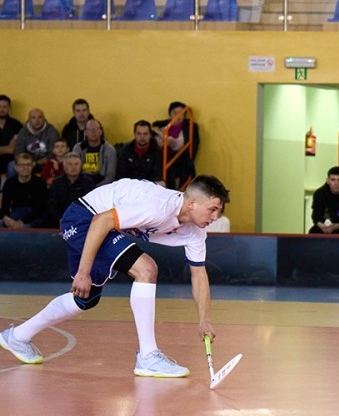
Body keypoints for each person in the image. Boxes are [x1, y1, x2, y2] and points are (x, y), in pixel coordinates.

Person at [0, 175, 231, 379]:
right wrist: (83, 272)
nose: (215, 216)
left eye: (218, 211)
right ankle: (148, 356)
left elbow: (199, 273)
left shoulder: (195, 232)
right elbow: (101, 220)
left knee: (85, 299)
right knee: (146, 269)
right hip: (85, 218)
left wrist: (204, 319)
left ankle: (17, 337)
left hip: (103, 224)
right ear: (191, 203)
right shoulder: (157, 207)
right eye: (212, 209)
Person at [152, 101, 199, 190]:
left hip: (178, 159)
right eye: (175, 112)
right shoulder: (163, 125)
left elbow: (174, 143)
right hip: (160, 156)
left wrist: (160, 133)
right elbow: (156, 143)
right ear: (170, 114)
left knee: (170, 166)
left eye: (181, 113)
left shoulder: (187, 128)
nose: (178, 116)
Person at [45, 151, 95, 227]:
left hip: (82, 220)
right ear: (64, 167)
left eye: (76, 164)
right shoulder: (57, 183)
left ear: (80, 166)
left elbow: (90, 204)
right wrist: (59, 219)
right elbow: (51, 204)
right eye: (70, 164)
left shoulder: (88, 182)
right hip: (59, 220)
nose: (73, 167)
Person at [1, 153, 47, 229]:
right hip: (16, 214)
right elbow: (5, 206)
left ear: (32, 166)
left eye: (28, 165)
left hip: (34, 218)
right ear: (16, 167)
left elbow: (39, 208)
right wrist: (6, 218)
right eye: (22, 165)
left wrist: (21, 222)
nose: (25, 167)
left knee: (24, 228)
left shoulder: (40, 183)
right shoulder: (9, 183)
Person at [12, 107, 60, 177]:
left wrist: (37, 163)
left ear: (44, 118)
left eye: (40, 117)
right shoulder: (23, 132)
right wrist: (26, 163)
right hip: (27, 163)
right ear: (29, 119)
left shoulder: (52, 131)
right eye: (33, 118)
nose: (37, 120)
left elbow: (53, 153)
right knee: (11, 166)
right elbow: (18, 152)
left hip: (45, 163)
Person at [117, 120, 165, 184]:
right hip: (129, 186)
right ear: (134, 134)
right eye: (139, 134)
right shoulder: (125, 150)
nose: (142, 137)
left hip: (149, 186)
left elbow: (157, 174)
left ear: (150, 135)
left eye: (145, 134)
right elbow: (121, 174)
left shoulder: (157, 152)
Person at [72, 118, 117, 186]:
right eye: (90, 129)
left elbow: (111, 176)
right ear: (85, 132)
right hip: (82, 183)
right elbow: (73, 171)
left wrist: (96, 188)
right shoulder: (78, 148)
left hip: (102, 185)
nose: (93, 132)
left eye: (96, 129)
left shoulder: (110, 149)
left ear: (101, 132)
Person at [0, 94, 23, 179]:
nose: (1, 110)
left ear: (9, 108)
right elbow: (9, 148)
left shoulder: (16, 125)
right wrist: (8, 147)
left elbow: (12, 150)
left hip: (11, 161)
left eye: (4, 107)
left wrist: (5, 149)